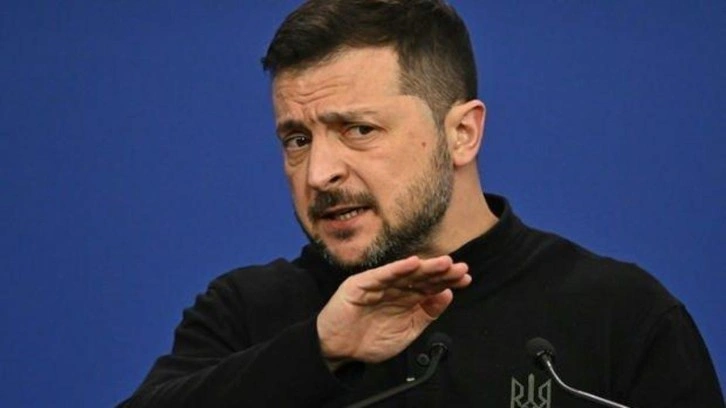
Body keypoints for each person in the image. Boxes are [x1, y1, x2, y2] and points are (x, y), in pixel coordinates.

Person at [119, 1, 724, 407]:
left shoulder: (621, 316)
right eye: (297, 139)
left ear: (461, 133)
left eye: (358, 129)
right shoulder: (245, 313)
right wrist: (318, 348)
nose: (320, 173)